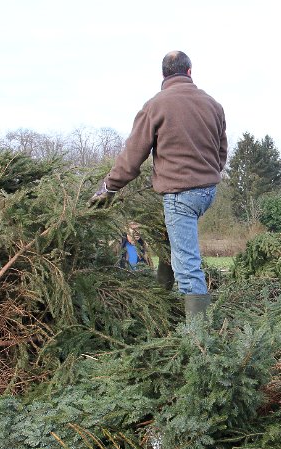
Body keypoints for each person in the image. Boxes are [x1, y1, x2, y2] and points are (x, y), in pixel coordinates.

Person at [89, 50, 227, 317]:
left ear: (164, 75)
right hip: (208, 192)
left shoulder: (156, 105)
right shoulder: (213, 104)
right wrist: (206, 177)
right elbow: (221, 152)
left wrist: (109, 186)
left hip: (179, 195)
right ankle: (161, 300)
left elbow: (133, 156)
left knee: (187, 264)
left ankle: (200, 341)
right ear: (189, 72)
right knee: (169, 238)